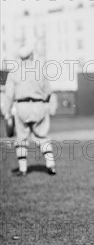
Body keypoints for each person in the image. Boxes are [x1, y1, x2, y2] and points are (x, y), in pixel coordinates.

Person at [3, 47, 57, 176]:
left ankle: (23, 169)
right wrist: (48, 106)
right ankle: (51, 165)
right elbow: (48, 92)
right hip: (39, 105)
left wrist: (6, 112)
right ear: (31, 56)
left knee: (21, 139)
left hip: (21, 106)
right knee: (42, 137)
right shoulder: (39, 70)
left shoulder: (14, 72)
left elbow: (9, 94)